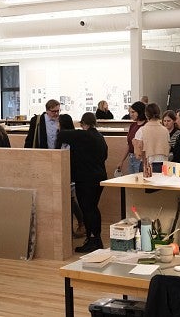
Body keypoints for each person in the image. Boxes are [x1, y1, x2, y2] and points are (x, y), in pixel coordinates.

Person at [57, 112, 108, 253]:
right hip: (99, 177)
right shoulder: (100, 137)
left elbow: (61, 135)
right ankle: (96, 239)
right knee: (93, 208)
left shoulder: (84, 135)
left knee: (88, 210)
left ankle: (92, 240)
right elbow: (105, 156)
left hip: (86, 179)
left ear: (83, 124)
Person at [56, 114, 86, 239]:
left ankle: (77, 226)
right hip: (69, 171)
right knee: (71, 200)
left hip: (70, 172)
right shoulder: (74, 135)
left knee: (70, 200)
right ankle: (80, 223)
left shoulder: (67, 136)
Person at [116, 101, 146, 175]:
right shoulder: (132, 125)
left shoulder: (146, 126)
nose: (131, 114)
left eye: (133, 112)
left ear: (140, 112)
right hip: (131, 157)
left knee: (140, 180)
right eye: (130, 112)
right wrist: (122, 161)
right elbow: (129, 145)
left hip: (140, 158)